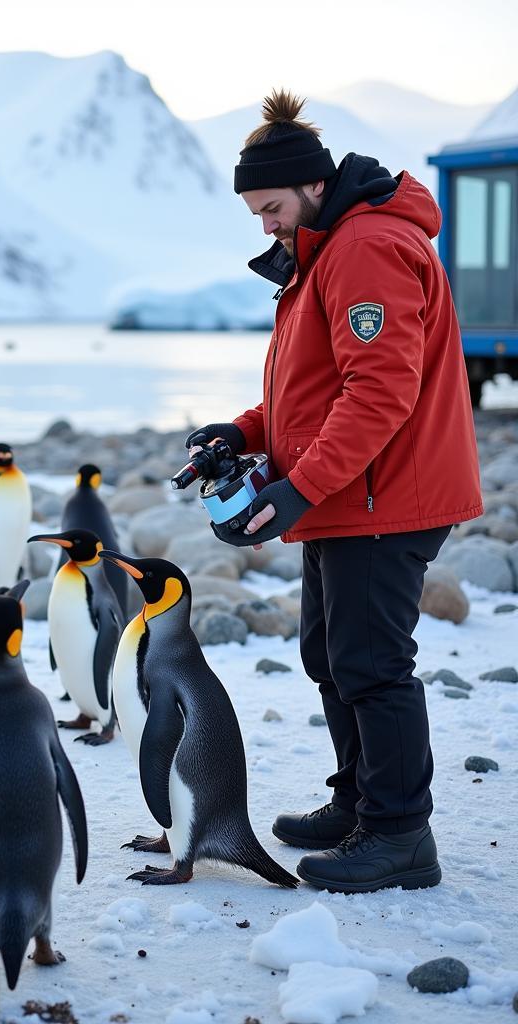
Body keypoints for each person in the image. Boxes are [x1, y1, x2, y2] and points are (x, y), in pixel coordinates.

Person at [185, 91, 482, 893]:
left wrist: (298, 488)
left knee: (372, 663)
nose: (266, 226)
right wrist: (242, 435)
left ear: (312, 185)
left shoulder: (366, 248)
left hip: (386, 496)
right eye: (254, 212)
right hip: (350, 496)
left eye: (271, 207)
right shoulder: (327, 246)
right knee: (331, 653)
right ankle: (359, 801)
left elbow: (380, 392)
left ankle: (398, 835)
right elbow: (309, 392)